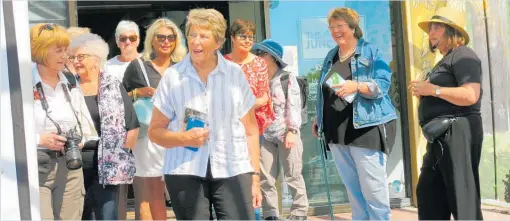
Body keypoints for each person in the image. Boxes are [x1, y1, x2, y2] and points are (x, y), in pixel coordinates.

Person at [148, 8, 262, 220]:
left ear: (218, 43)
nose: (195, 41)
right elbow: (155, 131)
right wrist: (183, 138)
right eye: (192, 35)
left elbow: (251, 130)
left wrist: (255, 177)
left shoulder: (234, 75)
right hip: (184, 170)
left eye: (203, 36)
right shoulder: (173, 77)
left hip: (233, 168)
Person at [312, 8, 397, 220]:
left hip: (365, 129)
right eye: (332, 27)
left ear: (352, 27)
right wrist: (318, 117)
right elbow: (326, 91)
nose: (335, 31)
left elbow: (383, 85)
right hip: (337, 132)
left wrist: (356, 86)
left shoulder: (370, 51)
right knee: (355, 193)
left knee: (373, 192)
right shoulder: (331, 56)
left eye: (340, 26)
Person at [411, 7, 483, 220]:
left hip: (458, 131)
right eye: (430, 28)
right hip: (439, 136)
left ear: (452, 31)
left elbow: (471, 95)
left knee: (463, 201)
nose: (431, 32)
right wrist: (425, 92)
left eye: (437, 27)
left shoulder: (464, 55)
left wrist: (432, 90)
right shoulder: (445, 60)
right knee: (428, 194)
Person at [69, 33, 140, 220]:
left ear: (96, 58)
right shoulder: (66, 86)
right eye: (73, 57)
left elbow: (132, 124)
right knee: (81, 216)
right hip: (74, 163)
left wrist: (121, 152)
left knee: (107, 215)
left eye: (81, 57)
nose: (76, 61)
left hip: (109, 164)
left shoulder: (113, 85)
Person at [123, 17, 187, 220]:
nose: (166, 41)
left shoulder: (183, 67)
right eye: (161, 37)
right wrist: (138, 93)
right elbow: (120, 98)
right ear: (152, 39)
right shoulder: (138, 66)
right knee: (153, 187)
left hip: (178, 131)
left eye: (171, 37)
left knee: (181, 184)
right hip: (149, 133)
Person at [30, 23, 93, 220]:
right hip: (36, 167)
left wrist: (78, 140)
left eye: (66, 50)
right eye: (58, 50)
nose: (64, 56)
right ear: (40, 51)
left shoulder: (71, 82)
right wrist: (39, 139)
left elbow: (85, 125)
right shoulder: (21, 82)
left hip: (70, 165)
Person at [253, 39, 309, 221]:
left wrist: (292, 130)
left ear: (273, 57)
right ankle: (271, 214)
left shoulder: (286, 78)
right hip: (265, 134)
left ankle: (299, 212)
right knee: (266, 177)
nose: (258, 56)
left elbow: (293, 105)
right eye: (258, 53)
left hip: (286, 132)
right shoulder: (258, 80)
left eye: (262, 53)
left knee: (293, 174)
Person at [224, 19, 274, 135]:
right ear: (232, 37)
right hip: (228, 127)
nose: (247, 41)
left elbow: (263, 99)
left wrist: (236, 107)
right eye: (243, 37)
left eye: (250, 37)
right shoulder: (223, 63)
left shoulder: (259, 63)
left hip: (255, 126)